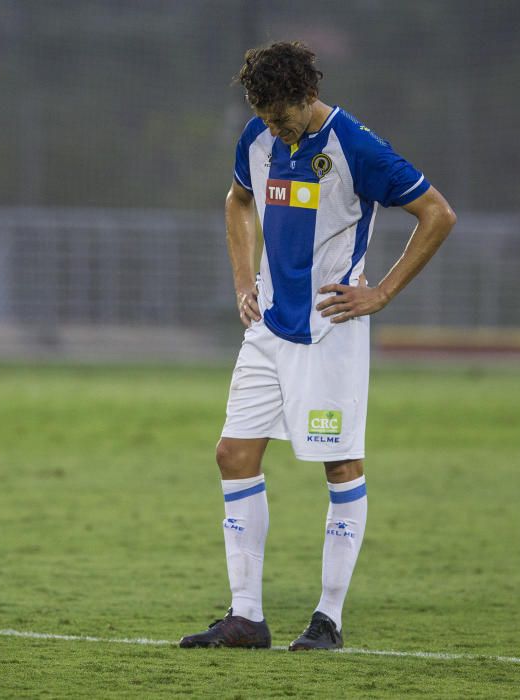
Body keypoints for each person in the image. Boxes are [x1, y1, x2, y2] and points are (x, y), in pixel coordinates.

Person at [179, 42, 455, 651]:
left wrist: (380, 292)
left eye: (282, 117)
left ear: (307, 97)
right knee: (232, 454)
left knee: (339, 465)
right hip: (267, 332)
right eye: (266, 117)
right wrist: (241, 280)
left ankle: (328, 619)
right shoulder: (256, 138)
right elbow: (237, 202)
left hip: (330, 331)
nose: (274, 129)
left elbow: (436, 213)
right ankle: (246, 616)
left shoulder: (355, 145)